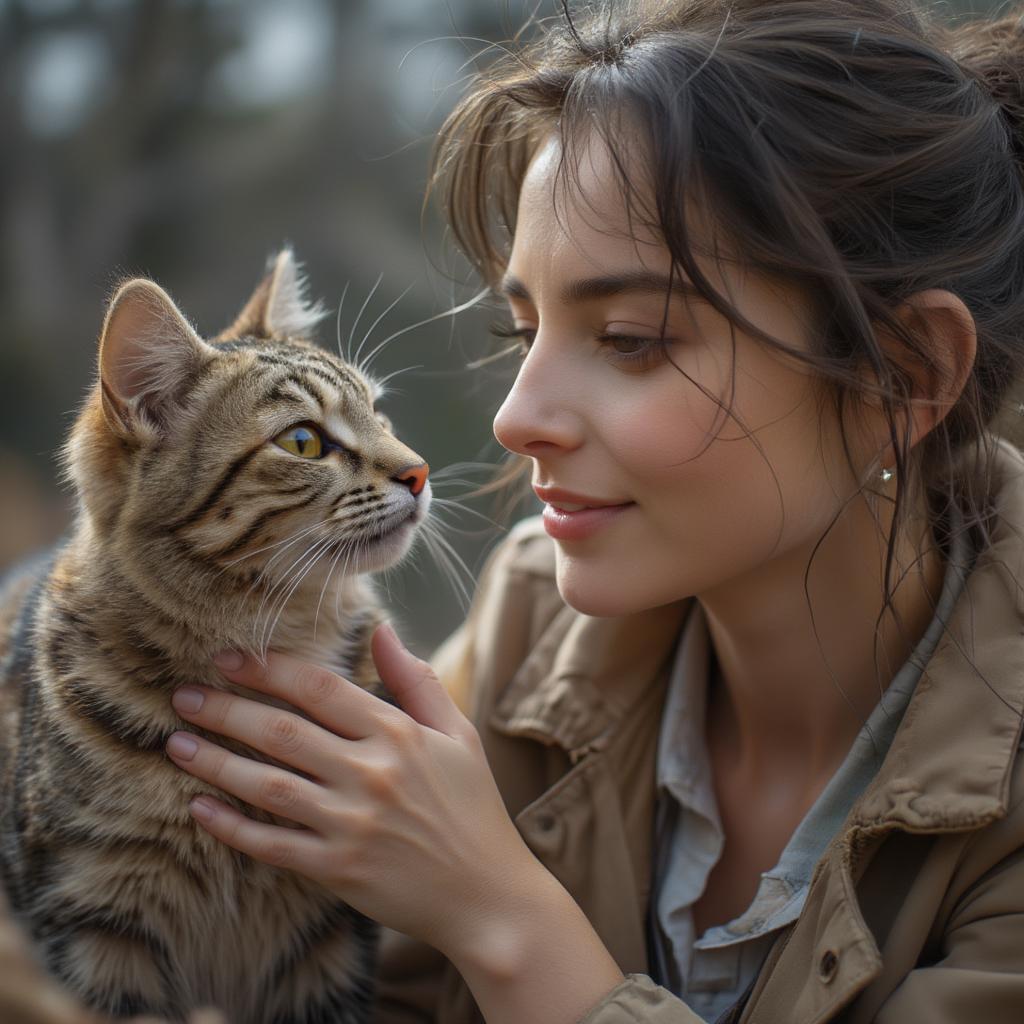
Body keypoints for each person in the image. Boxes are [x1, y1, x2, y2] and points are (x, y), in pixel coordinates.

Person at [25, 0, 1024, 1021]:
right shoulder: (530, 618)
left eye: (631, 338)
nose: (513, 420)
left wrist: (500, 915)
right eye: (521, 332)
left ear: (903, 376)